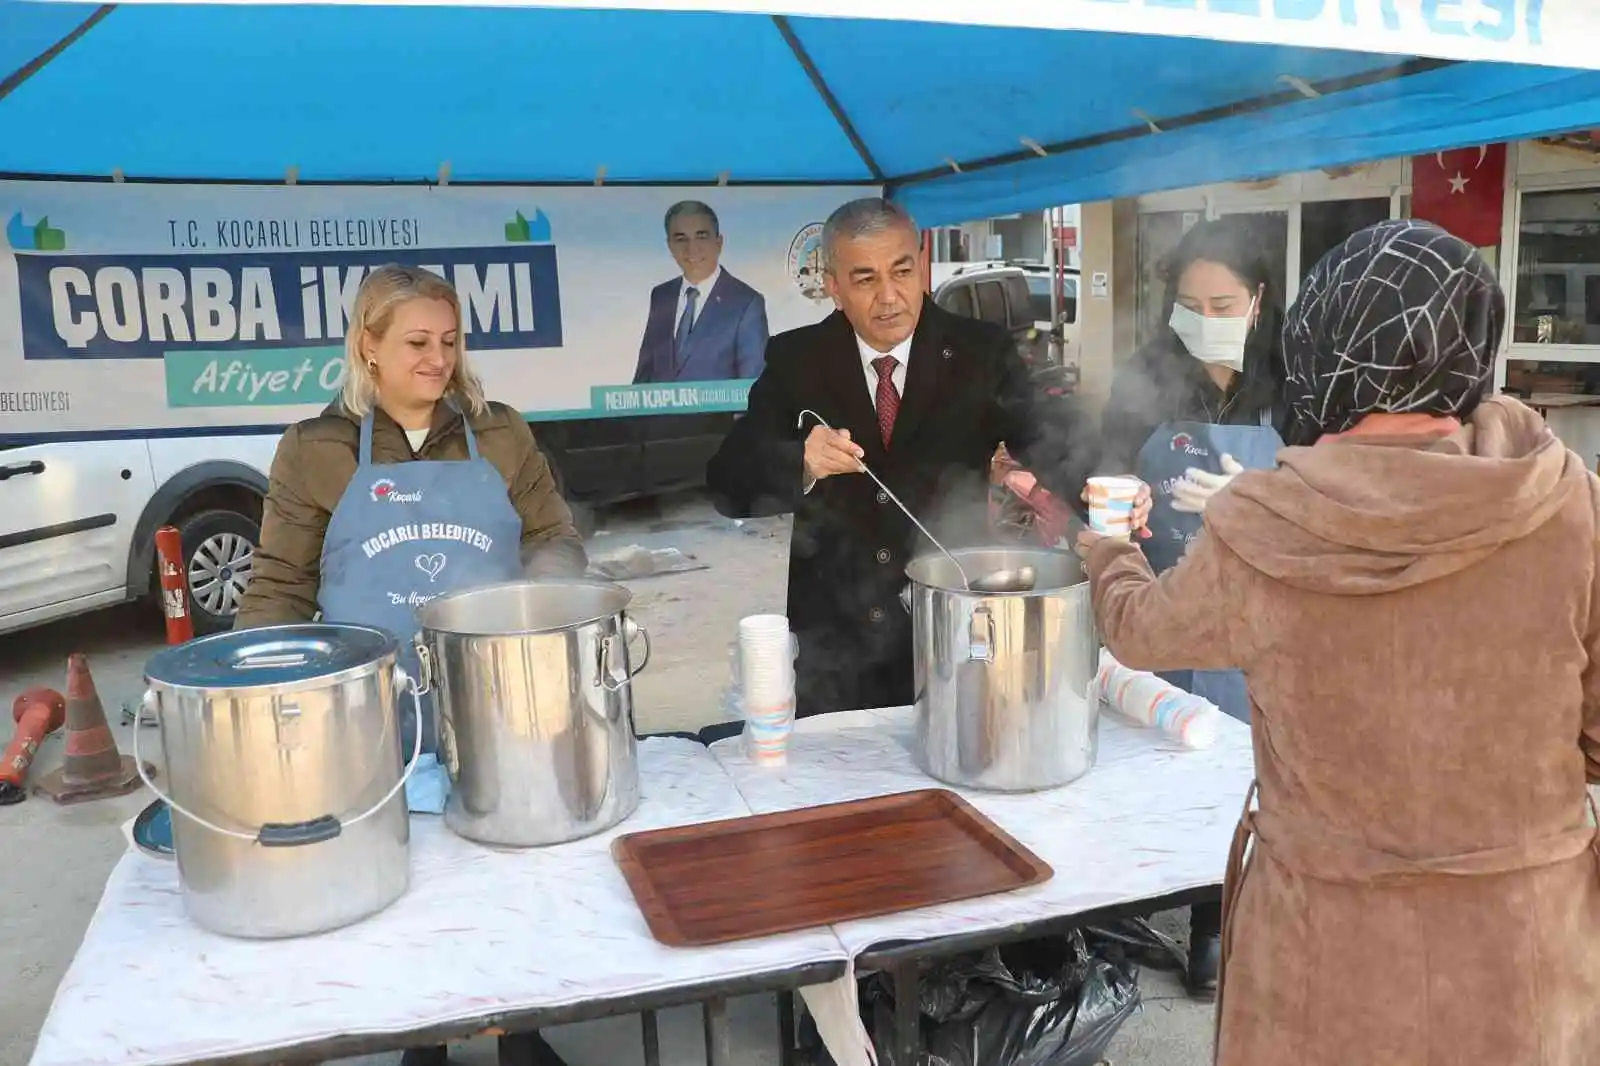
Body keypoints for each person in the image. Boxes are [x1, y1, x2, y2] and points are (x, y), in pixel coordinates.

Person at [1077, 219, 1600, 1066]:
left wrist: (1106, 550)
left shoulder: (1265, 518)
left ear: (1319, 342)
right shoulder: (1572, 504)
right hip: (1527, 951)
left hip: (1330, 950)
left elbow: (1141, 631)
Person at [236, 264, 584, 1066]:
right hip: (373, 711)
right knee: (405, 880)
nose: (440, 360)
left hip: (496, 696)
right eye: (418, 342)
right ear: (368, 346)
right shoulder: (315, 450)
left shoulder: (500, 432)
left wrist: (544, 602)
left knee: (505, 871)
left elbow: (552, 536)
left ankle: (519, 1029)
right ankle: (421, 1036)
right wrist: (255, 697)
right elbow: (280, 587)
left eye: (452, 342)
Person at [703, 196, 1083, 730]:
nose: (889, 297)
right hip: (835, 647)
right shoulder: (797, 361)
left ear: (922, 264)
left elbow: (1050, 442)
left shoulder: (980, 353)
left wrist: (1105, 489)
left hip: (949, 628)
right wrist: (800, 462)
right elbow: (726, 485)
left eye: (902, 271)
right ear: (832, 285)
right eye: (864, 279)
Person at [1094, 217, 1289, 998]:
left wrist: (1263, 497)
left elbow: (1334, 494)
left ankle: (1218, 917)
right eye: (1189, 301)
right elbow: (1103, 467)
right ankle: (1139, 901)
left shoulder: (1298, 375)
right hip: (1167, 597)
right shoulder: (1147, 373)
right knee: (1155, 760)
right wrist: (1122, 502)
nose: (1204, 317)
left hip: (1263, 613)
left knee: (1247, 770)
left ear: (1258, 301)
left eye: (1223, 301)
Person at [632, 200, 769, 383]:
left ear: (719, 243)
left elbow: (754, 389)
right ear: (670, 246)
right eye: (681, 239)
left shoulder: (746, 303)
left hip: (719, 414)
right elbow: (644, 377)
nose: (691, 248)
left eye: (701, 236)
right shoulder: (661, 296)